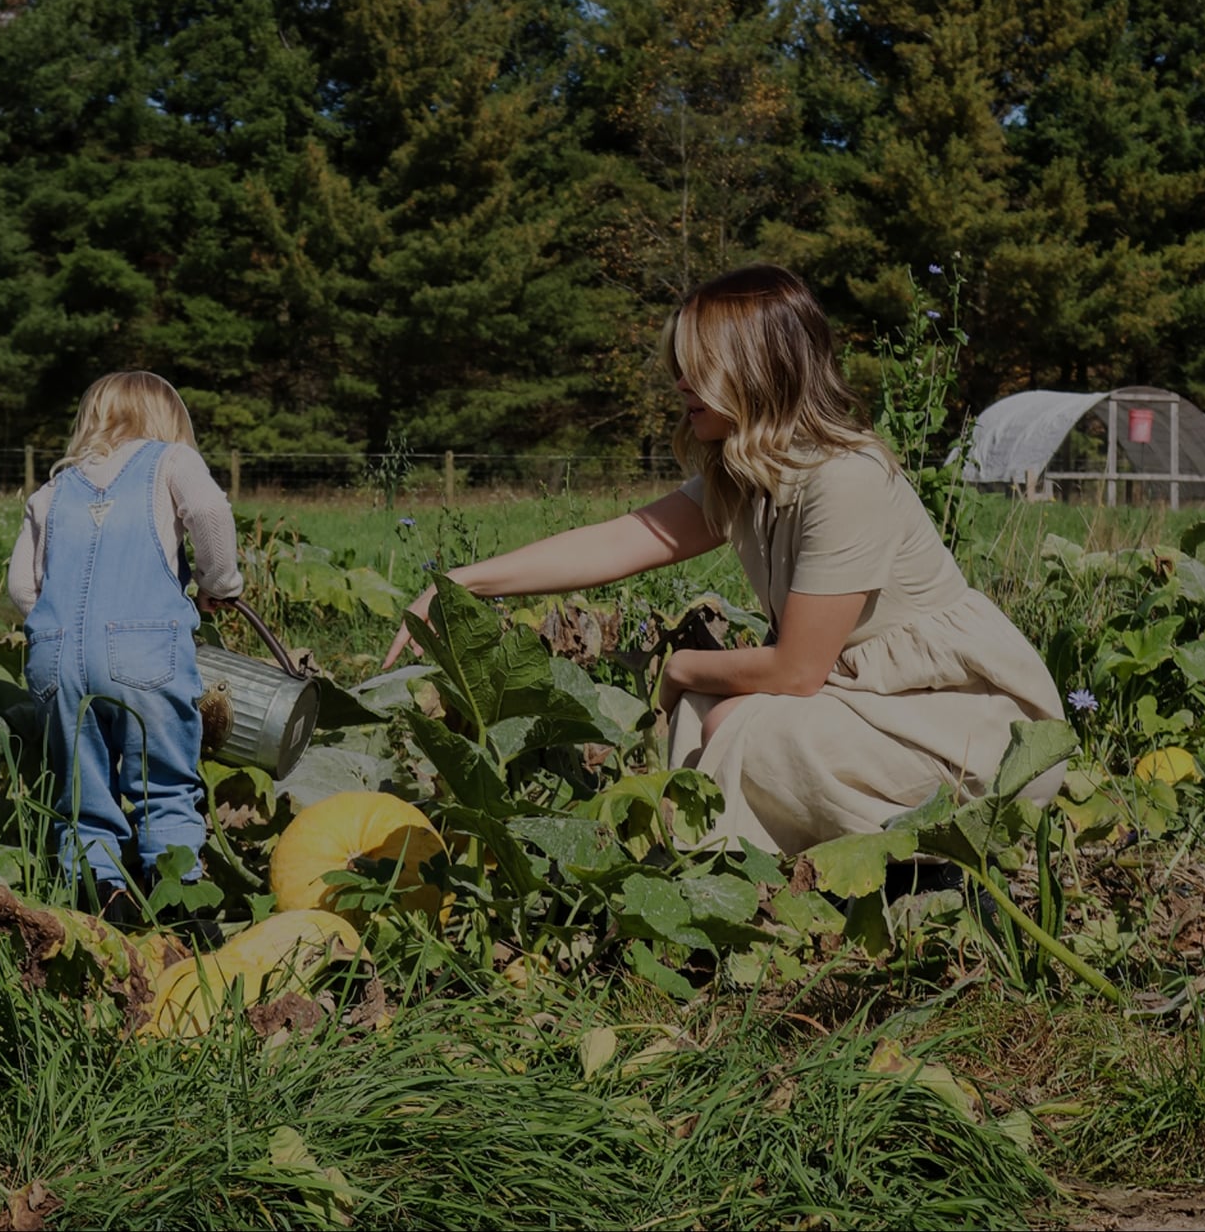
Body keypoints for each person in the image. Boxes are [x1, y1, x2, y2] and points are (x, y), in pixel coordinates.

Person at [385, 265, 1066, 855]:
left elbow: (797, 672)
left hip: (960, 727)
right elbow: (622, 540)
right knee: (717, 711)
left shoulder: (846, 477)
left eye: (697, 366)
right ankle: (738, 863)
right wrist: (461, 583)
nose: (679, 381)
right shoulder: (751, 472)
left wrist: (676, 665)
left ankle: (914, 858)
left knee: (744, 724)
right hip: (864, 703)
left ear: (757, 369)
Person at [9, 371, 243, 922]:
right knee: (162, 779)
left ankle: (101, 896)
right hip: (145, 653)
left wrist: (57, 630)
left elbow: (23, 586)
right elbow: (210, 514)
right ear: (168, 420)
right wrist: (219, 585)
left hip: (57, 658)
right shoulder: (172, 461)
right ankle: (179, 899)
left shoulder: (51, 490)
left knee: (83, 789)